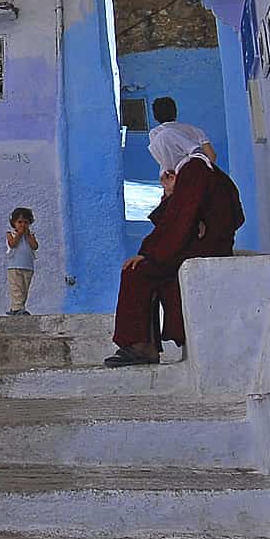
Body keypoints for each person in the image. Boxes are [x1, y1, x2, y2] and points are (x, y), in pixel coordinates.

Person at [105, 129, 243, 366]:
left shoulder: (193, 170)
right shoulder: (204, 170)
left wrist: (149, 253)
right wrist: (171, 193)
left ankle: (140, 346)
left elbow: (179, 220)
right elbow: (185, 215)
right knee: (150, 273)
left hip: (204, 248)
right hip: (207, 245)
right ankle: (144, 345)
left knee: (136, 272)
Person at [148, 96, 217, 172]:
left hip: (173, 177)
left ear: (155, 116)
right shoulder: (195, 130)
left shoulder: (155, 133)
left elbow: (162, 159)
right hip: (199, 174)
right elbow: (211, 155)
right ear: (175, 112)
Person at [4, 207, 38, 316]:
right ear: (13, 223)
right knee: (16, 288)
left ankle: (19, 308)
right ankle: (17, 308)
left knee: (24, 290)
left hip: (28, 266)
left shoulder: (30, 235)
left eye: (26, 222)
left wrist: (27, 235)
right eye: (19, 222)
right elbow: (12, 244)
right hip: (14, 266)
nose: (23, 225)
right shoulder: (11, 234)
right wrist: (19, 234)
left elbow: (35, 246)